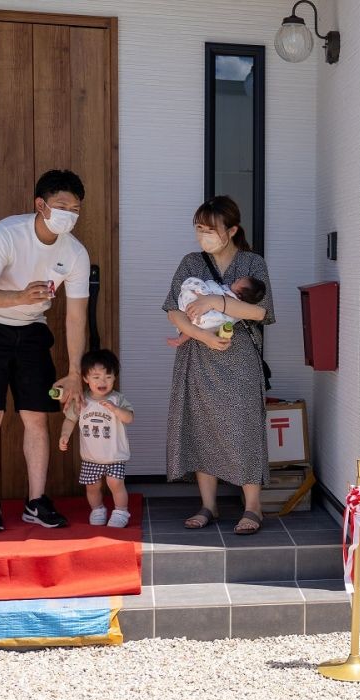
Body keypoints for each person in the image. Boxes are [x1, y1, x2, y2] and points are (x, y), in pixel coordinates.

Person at [0, 169, 91, 532]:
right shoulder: (5, 234)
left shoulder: (75, 252)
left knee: (36, 415)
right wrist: (19, 296)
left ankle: (36, 501)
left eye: (76, 208)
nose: (69, 214)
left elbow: (76, 317)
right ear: (41, 205)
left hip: (32, 328)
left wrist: (75, 372)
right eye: (62, 205)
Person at [162, 196, 274, 535]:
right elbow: (173, 308)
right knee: (201, 426)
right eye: (199, 228)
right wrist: (201, 335)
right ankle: (208, 505)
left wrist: (217, 301)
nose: (203, 235)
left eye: (210, 229)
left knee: (245, 426)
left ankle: (253, 506)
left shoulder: (252, 263)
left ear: (232, 230)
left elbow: (261, 312)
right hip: (197, 354)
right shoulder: (191, 262)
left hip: (239, 357)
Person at [58, 349, 135, 528]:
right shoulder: (81, 400)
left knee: (115, 483)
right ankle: (98, 509)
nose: (103, 381)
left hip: (114, 455)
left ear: (115, 377)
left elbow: (129, 418)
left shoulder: (117, 399)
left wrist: (116, 410)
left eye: (108, 377)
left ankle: (121, 511)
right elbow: (70, 419)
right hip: (91, 456)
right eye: (96, 377)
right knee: (92, 486)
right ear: (85, 378)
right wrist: (64, 435)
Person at [165, 275, 267, 347]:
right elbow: (172, 312)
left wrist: (208, 297)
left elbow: (262, 313)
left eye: (238, 281)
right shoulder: (191, 261)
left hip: (204, 317)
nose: (237, 278)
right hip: (196, 318)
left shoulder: (233, 299)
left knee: (199, 323)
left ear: (239, 295)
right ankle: (182, 338)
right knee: (194, 324)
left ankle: (182, 337)